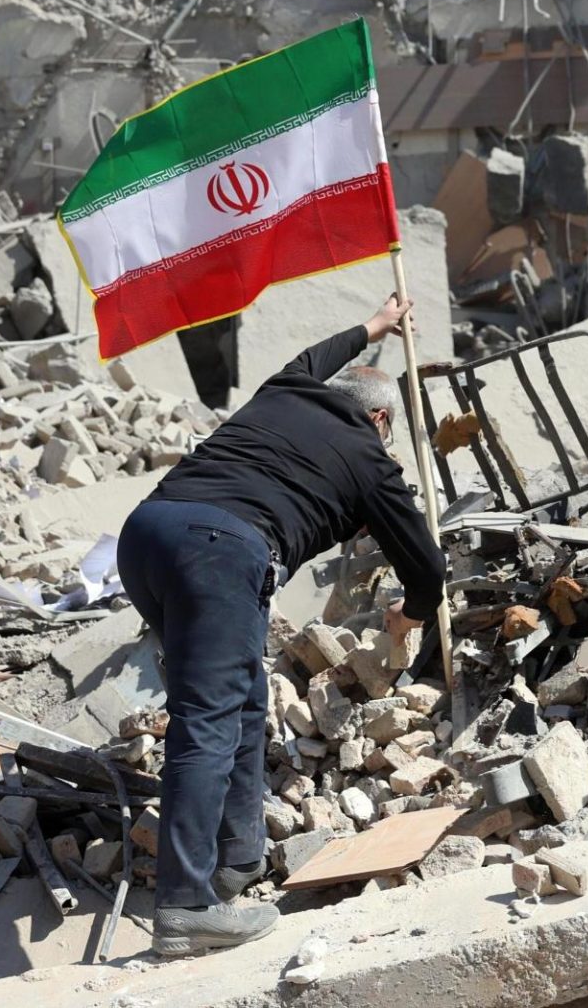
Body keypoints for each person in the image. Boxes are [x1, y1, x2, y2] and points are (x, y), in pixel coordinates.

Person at [116, 295, 449, 956]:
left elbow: (318, 355)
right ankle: (185, 909)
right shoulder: (368, 455)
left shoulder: (290, 386)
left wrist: (375, 325)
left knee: (241, 694)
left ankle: (236, 857)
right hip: (219, 553)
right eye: (387, 433)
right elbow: (428, 566)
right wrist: (407, 614)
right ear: (380, 418)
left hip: (147, 535)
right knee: (207, 718)